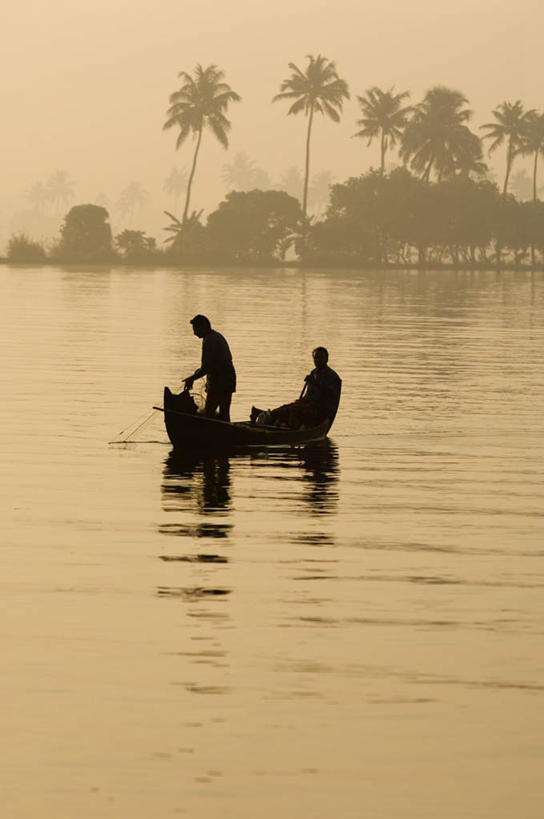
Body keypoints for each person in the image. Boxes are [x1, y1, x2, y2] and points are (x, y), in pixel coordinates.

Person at [253, 347, 341, 428]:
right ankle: (271, 416)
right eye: (316, 358)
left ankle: (287, 425)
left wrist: (315, 383)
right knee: (287, 407)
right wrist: (300, 402)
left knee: (294, 410)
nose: (318, 360)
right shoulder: (314, 372)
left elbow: (330, 395)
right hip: (309, 403)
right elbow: (309, 395)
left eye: (321, 357)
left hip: (321, 409)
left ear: (327, 359)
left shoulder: (332, 376)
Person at [183, 315, 236, 422]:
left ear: (203, 327)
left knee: (209, 412)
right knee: (224, 413)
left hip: (220, 382)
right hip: (229, 379)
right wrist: (197, 373)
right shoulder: (216, 336)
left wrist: (191, 379)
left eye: (195, 329)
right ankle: (225, 434)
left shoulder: (209, 340)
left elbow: (206, 368)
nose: (194, 333)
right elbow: (210, 365)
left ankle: (212, 436)